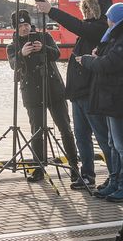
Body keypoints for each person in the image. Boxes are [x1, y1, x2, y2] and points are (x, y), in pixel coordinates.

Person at [34, 0, 114, 190]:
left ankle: (115, 176)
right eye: (84, 8)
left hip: (90, 93)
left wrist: (51, 10)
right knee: (81, 136)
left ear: (100, 10)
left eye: (90, 8)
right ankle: (87, 175)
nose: (86, 12)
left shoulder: (100, 29)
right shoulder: (89, 30)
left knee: (102, 137)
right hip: (78, 94)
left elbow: (76, 25)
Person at [78, 3, 123, 202]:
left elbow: (110, 64)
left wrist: (87, 61)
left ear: (114, 19)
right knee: (113, 143)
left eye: (108, 17)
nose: (106, 20)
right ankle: (115, 182)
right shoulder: (119, 37)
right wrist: (98, 55)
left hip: (120, 100)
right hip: (113, 99)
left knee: (122, 146)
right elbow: (109, 58)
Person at [6, 11, 79, 182]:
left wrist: (43, 48)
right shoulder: (12, 46)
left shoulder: (44, 37)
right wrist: (21, 54)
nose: (24, 28)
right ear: (15, 28)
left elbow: (57, 54)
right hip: (31, 93)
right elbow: (12, 65)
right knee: (37, 132)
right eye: (21, 26)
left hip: (53, 90)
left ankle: (74, 166)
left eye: (26, 25)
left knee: (65, 129)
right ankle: (38, 168)